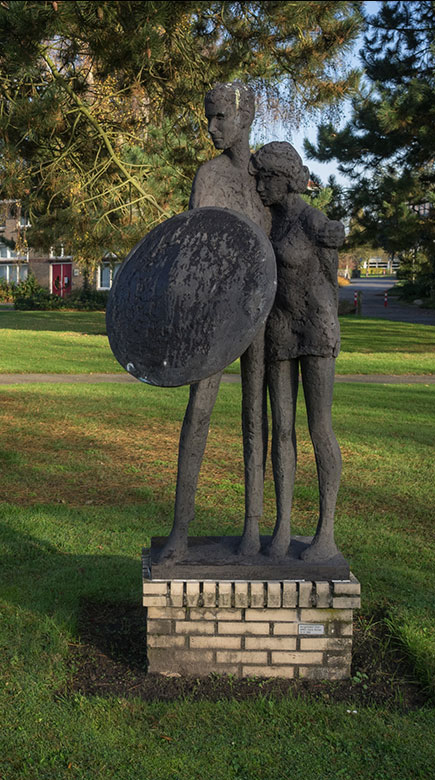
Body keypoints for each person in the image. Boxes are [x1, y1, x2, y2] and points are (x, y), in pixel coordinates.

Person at [157, 82, 272, 565]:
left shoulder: (267, 178)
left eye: (221, 117)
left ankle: (253, 529)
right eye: (209, 117)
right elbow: (193, 248)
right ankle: (180, 532)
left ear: (245, 117)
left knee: (255, 415)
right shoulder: (208, 176)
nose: (211, 127)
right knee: (198, 412)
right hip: (214, 315)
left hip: (261, 313)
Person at [254, 141, 345, 562]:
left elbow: (330, 279)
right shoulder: (268, 221)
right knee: (282, 429)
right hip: (280, 327)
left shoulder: (312, 221)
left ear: (287, 179)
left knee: (318, 428)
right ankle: (283, 524)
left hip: (316, 326)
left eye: (266, 178)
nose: (260, 186)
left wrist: (336, 239)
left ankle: (325, 532)